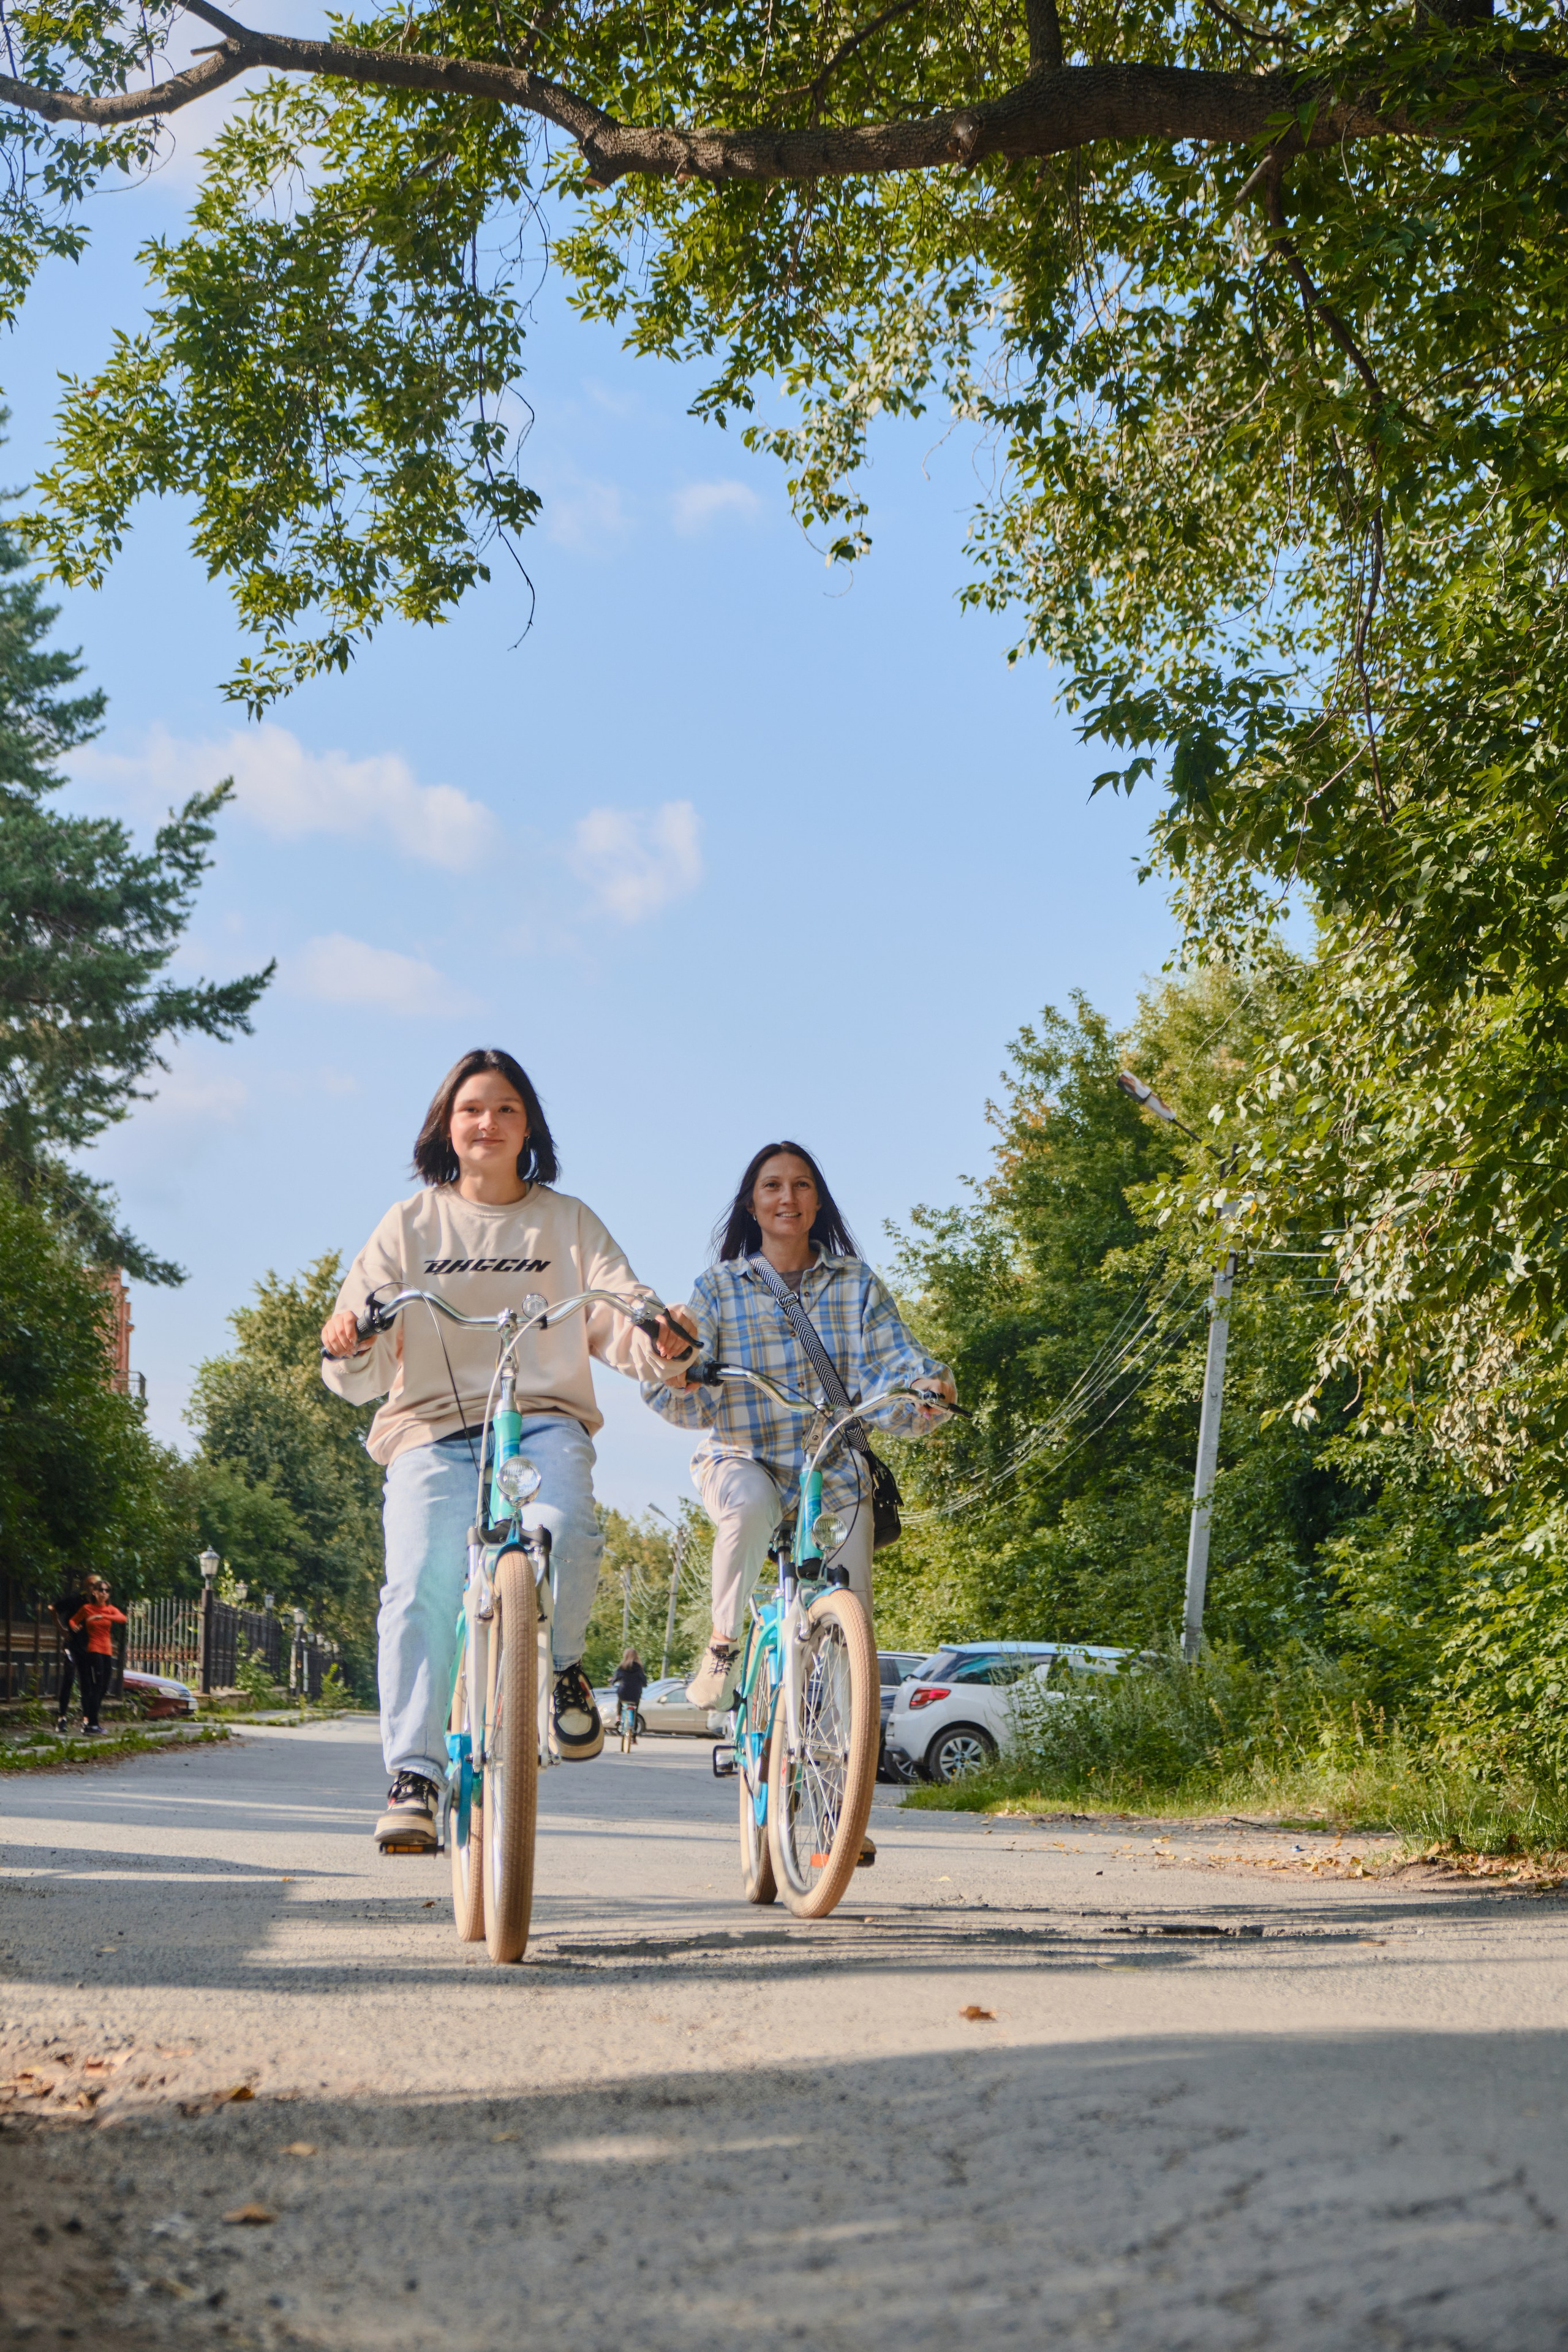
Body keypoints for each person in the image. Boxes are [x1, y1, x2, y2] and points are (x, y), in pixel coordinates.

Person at [321, 1046, 694, 1853]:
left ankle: (560, 1667)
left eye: (505, 1109)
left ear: (529, 1127)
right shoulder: (410, 1225)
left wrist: (658, 1334)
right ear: (446, 1128)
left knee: (568, 1529)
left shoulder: (566, 1222)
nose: (487, 1122)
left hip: (543, 1421)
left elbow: (618, 1306)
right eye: (471, 1109)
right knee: (419, 1580)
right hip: (432, 1429)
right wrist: (349, 1337)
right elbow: (363, 1336)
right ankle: (414, 1774)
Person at [643, 1140, 955, 1728]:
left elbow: (897, 1359)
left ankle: (841, 1775)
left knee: (850, 1620)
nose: (788, 1197)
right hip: (744, 1457)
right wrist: (677, 1361)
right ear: (752, 1205)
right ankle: (723, 1645)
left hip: (832, 1468)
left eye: (802, 1185)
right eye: (772, 1186)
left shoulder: (856, 1282)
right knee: (751, 1503)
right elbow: (678, 1380)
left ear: (818, 1203)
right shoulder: (719, 1287)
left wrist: (926, 1387)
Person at [67, 1577, 127, 1734]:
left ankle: (90, 1718)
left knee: (104, 1686)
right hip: (94, 1649)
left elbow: (123, 1618)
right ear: (94, 1592)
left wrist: (103, 1617)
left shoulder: (110, 1609)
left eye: (107, 1591)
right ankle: (92, 1723)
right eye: (101, 1590)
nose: (104, 1593)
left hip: (107, 1650)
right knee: (98, 1684)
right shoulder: (87, 1608)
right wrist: (75, 1628)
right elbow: (73, 1620)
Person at [50, 1577, 91, 1734]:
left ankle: (87, 1720)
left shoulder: (98, 1605)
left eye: (100, 1587)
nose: (97, 1589)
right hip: (72, 1646)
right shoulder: (75, 1600)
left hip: (88, 1648)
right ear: (86, 1586)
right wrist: (61, 1630)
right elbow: (53, 1608)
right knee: (68, 1679)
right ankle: (62, 1718)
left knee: (87, 1683)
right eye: (93, 1585)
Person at [611, 1647, 648, 1735]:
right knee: (635, 1709)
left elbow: (616, 1677)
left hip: (624, 1692)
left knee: (620, 1701)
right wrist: (644, 1684)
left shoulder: (622, 1667)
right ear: (636, 1656)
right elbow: (644, 1680)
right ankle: (633, 1731)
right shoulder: (639, 1668)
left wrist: (612, 1682)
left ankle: (619, 1717)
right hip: (635, 1693)